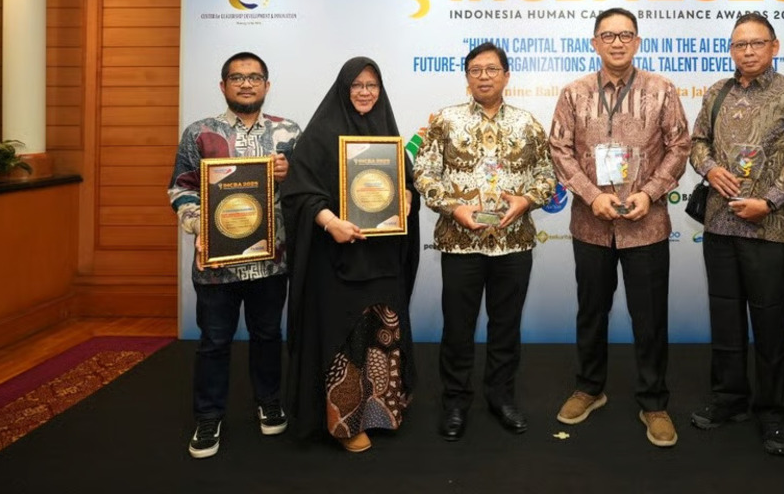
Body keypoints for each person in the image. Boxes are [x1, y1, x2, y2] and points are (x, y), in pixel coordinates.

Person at [549, 7, 692, 448]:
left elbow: (680, 146)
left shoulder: (662, 90)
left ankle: (654, 403)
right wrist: (592, 195)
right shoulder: (573, 93)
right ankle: (589, 388)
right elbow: (559, 149)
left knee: (649, 318)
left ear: (637, 42)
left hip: (646, 224)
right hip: (591, 224)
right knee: (591, 311)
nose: (617, 42)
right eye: (608, 35)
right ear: (594, 43)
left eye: (625, 35)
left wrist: (650, 192)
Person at [413, 41, 557, 441]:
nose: (483, 77)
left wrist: (526, 200)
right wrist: (453, 207)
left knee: (506, 327)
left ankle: (501, 397)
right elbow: (423, 173)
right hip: (461, 242)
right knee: (458, 328)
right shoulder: (446, 121)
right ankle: (455, 402)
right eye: (475, 70)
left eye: (492, 69)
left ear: (507, 76)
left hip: (513, 243)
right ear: (467, 78)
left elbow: (547, 177)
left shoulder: (528, 123)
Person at [688, 12, 784, 456]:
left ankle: (774, 412)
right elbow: (697, 142)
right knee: (725, 318)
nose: (747, 51)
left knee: (769, 321)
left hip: (769, 226)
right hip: (720, 224)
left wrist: (771, 200)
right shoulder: (716, 92)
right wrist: (710, 169)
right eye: (739, 44)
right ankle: (729, 398)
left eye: (756, 43)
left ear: (774, 47)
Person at [281, 57, 420, 454]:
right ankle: (344, 424)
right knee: (347, 339)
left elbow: (406, 184)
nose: (364, 92)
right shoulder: (320, 135)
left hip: (382, 259)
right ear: (343, 89)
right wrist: (329, 222)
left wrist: (408, 196)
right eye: (356, 85)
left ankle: (379, 413)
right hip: (336, 260)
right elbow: (298, 193)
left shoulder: (386, 132)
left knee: (383, 332)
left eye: (372, 85)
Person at [167, 51, 302, 459]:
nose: (246, 84)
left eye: (254, 77)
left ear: (267, 85)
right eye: (237, 77)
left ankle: (269, 402)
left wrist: (291, 174)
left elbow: (310, 188)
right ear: (223, 85)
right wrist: (200, 226)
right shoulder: (199, 133)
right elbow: (180, 188)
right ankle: (209, 416)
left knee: (268, 336)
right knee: (213, 342)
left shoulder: (288, 133)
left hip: (270, 261)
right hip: (216, 265)